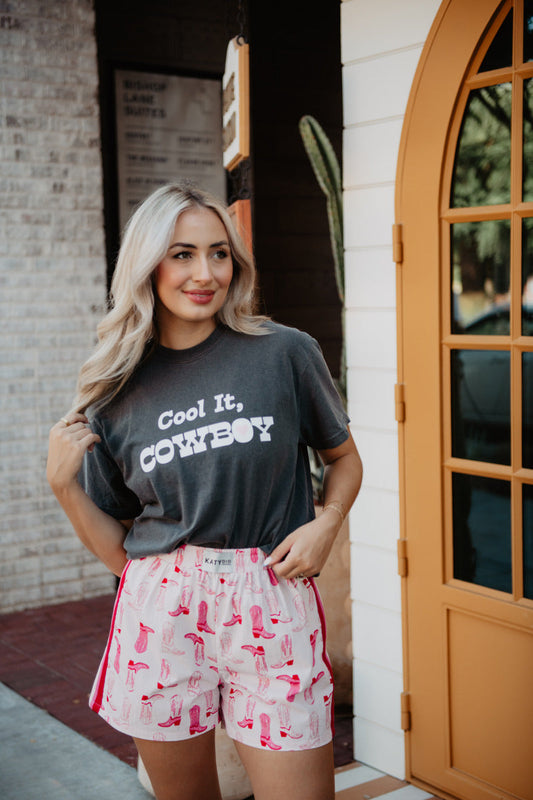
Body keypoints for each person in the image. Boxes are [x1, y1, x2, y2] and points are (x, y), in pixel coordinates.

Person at [47, 183, 363, 800]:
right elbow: (122, 551)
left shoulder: (284, 353)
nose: (206, 273)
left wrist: (327, 522)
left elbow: (344, 459)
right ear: (148, 266)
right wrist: (63, 487)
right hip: (162, 610)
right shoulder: (114, 392)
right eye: (183, 254)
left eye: (219, 253)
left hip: (270, 593)